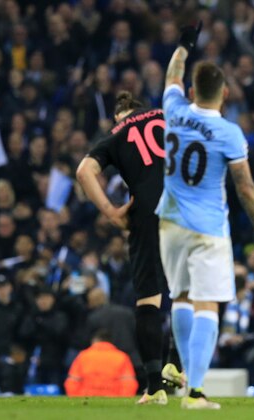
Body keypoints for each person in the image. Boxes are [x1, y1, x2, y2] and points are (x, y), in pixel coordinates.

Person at [157, 23, 254, 410]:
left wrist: (184, 46)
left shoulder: (172, 110)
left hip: (169, 222)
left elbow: (171, 74)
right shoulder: (228, 132)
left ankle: (188, 380)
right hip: (208, 227)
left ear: (191, 92)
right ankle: (197, 392)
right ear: (223, 94)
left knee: (182, 298)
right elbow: (245, 188)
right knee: (207, 303)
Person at [76, 90, 168, 404]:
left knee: (148, 300)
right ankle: (179, 368)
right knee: (191, 295)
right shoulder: (167, 115)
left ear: (120, 117)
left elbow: (84, 172)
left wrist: (112, 213)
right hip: (186, 208)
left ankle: (155, 385)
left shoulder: (116, 133)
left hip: (144, 213)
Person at [64, 329, 138, 397]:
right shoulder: (122, 357)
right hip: (113, 398)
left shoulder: (83, 356)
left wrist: (77, 398)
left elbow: (72, 381)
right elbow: (129, 383)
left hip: (86, 397)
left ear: (94, 341)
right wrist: (122, 399)